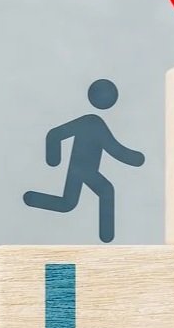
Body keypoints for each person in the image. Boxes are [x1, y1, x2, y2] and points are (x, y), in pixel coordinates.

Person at [23, 79, 144, 243]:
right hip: (83, 170)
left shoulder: (92, 122)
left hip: (85, 170)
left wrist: (53, 158)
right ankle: (106, 235)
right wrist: (136, 158)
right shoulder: (92, 123)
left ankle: (32, 198)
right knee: (99, 193)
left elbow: (55, 135)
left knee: (69, 202)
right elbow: (113, 148)